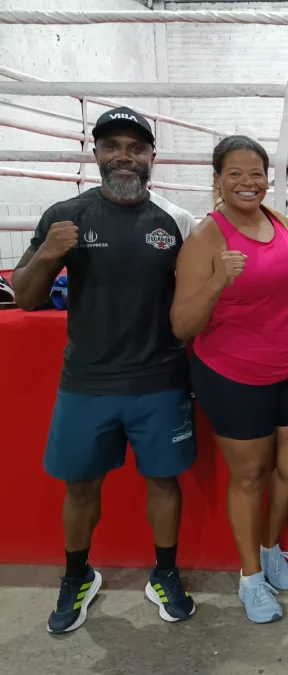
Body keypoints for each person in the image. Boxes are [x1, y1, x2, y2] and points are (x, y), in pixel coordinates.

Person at [11, 107, 197, 633]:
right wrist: (49, 253)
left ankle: (165, 573)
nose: (124, 156)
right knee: (80, 486)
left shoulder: (176, 220)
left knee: (163, 481)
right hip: (87, 382)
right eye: (112, 146)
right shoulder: (66, 214)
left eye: (135, 148)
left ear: (152, 157)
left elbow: (193, 297)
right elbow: (25, 296)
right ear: (95, 153)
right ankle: (77, 576)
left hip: (160, 379)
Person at [170, 136, 288, 624]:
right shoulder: (206, 238)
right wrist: (216, 281)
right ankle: (250, 577)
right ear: (217, 180)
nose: (247, 182)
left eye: (256, 173)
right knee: (251, 475)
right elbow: (181, 325)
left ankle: (270, 549)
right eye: (234, 173)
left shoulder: (280, 221)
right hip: (234, 374)